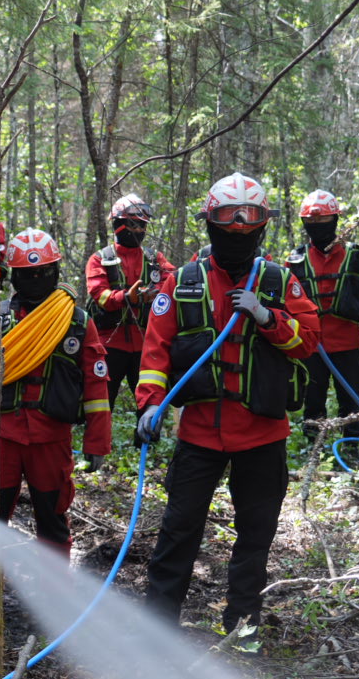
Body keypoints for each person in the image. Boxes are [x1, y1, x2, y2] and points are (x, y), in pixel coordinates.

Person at [135, 174, 320, 633]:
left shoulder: (280, 281)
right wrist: (149, 405)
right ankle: (159, 628)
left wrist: (267, 316)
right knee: (178, 532)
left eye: (248, 222)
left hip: (262, 434)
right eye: (227, 222)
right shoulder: (182, 283)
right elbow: (156, 351)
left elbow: (308, 343)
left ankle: (243, 627)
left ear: (261, 228)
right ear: (210, 225)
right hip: (199, 433)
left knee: (256, 536)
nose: (237, 230)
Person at [0, 229, 112, 556]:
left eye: (43, 272)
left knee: (53, 521)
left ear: (56, 272)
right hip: (1, 436)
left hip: (51, 439)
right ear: (13, 276)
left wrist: (97, 444)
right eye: (27, 273)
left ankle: (54, 593)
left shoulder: (76, 322)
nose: (36, 278)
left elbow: (96, 387)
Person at [286, 190, 359, 441]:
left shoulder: (355, 255)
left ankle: (353, 445)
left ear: (335, 220)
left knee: (351, 398)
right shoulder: (295, 260)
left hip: (348, 344)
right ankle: (313, 446)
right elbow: (282, 300)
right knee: (313, 398)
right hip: (310, 346)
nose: (317, 226)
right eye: (311, 222)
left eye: (322, 221)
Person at [85, 195, 175, 418]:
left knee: (150, 399)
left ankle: (147, 444)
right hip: (109, 344)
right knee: (102, 402)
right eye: (133, 224)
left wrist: (153, 294)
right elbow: (100, 295)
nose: (137, 230)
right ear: (118, 224)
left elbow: (173, 279)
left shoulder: (154, 258)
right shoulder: (100, 259)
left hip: (145, 343)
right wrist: (127, 297)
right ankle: (98, 448)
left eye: (142, 225)